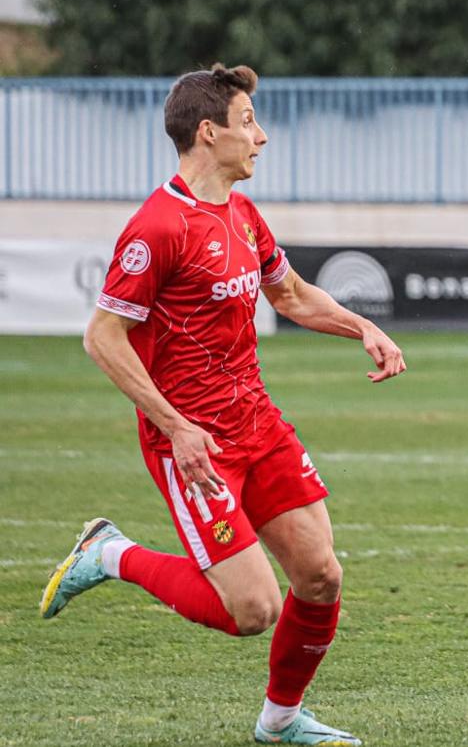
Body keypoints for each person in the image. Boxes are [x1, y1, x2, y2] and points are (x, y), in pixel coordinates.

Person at [40, 63, 406, 746]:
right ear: (208, 133)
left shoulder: (241, 212)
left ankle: (281, 722)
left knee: (321, 576)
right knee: (252, 609)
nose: (261, 138)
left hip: (257, 423)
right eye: (248, 124)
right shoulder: (158, 228)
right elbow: (102, 336)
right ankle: (110, 553)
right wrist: (175, 426)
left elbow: (290, 295)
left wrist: (364, 327)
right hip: (193, 442)